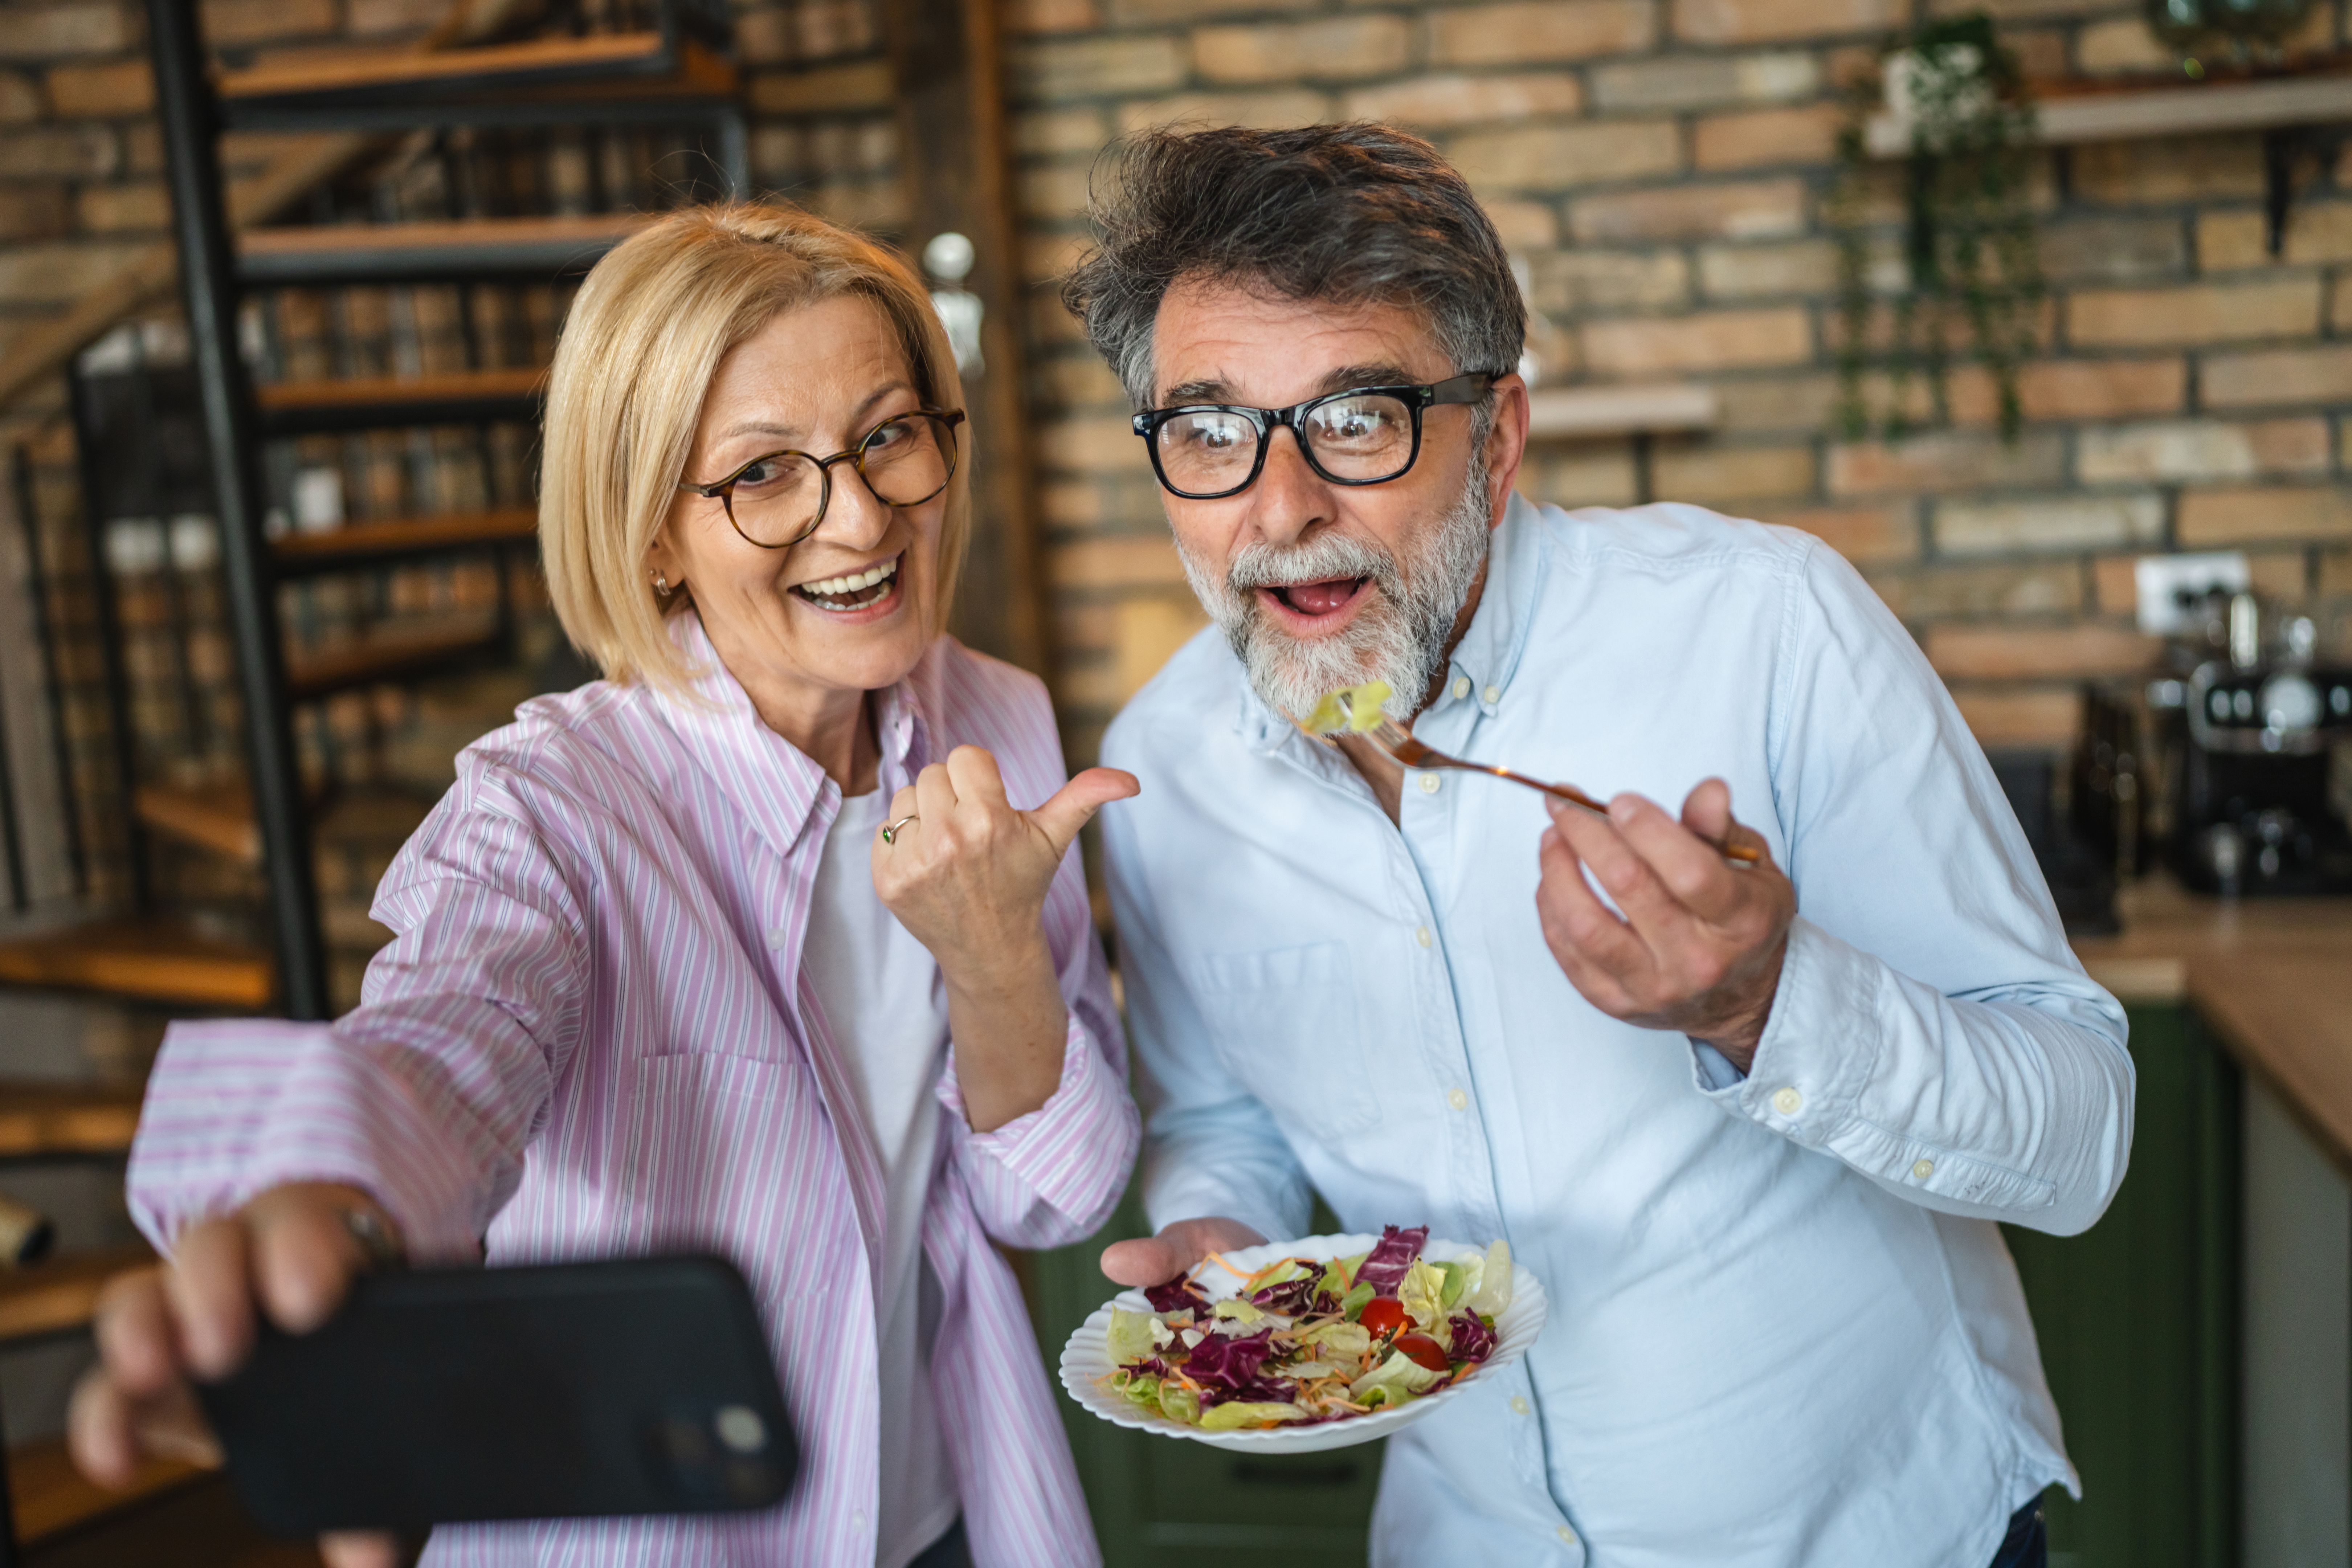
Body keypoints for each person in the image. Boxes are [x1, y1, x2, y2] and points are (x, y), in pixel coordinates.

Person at [1071, 122, 2126, 1568]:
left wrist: (1763, 1004)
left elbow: (2081, 1141)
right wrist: (1216, 1236)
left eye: (1358, 417)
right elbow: (1221, 1119)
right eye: (1209, 430)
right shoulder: (1163, 760)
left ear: (1496, 438)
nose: (1280, 508)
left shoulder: (1766, 625)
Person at [68, 203, 1139, 1568]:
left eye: (888, 435)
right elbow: (447, 1035)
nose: (859, 514)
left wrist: (995, 962)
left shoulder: (1001, 722)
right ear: (651, 536)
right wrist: (323, 1191)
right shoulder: (552, 809)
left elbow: (1058, 1199)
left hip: (937, 1518)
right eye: (763, 475)